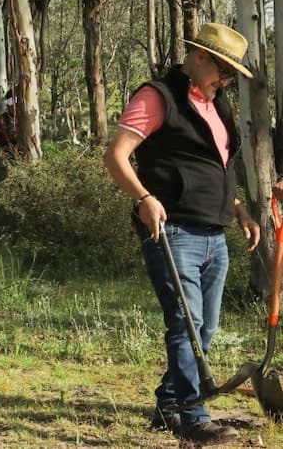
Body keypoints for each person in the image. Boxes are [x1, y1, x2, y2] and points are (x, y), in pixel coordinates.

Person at [103, 22, 259, 445]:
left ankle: (168, 402)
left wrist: (239, 208)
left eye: (231, 74)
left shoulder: (216, 103)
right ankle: (194, 421)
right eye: (223, 69)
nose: (225, 79)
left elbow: (216, 166)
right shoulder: (157, 96)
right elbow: (116, 155)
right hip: (173, 232)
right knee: (185, 325)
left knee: (205, 326)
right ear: (200, 56)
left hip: (215, 233)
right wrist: (142, 198)